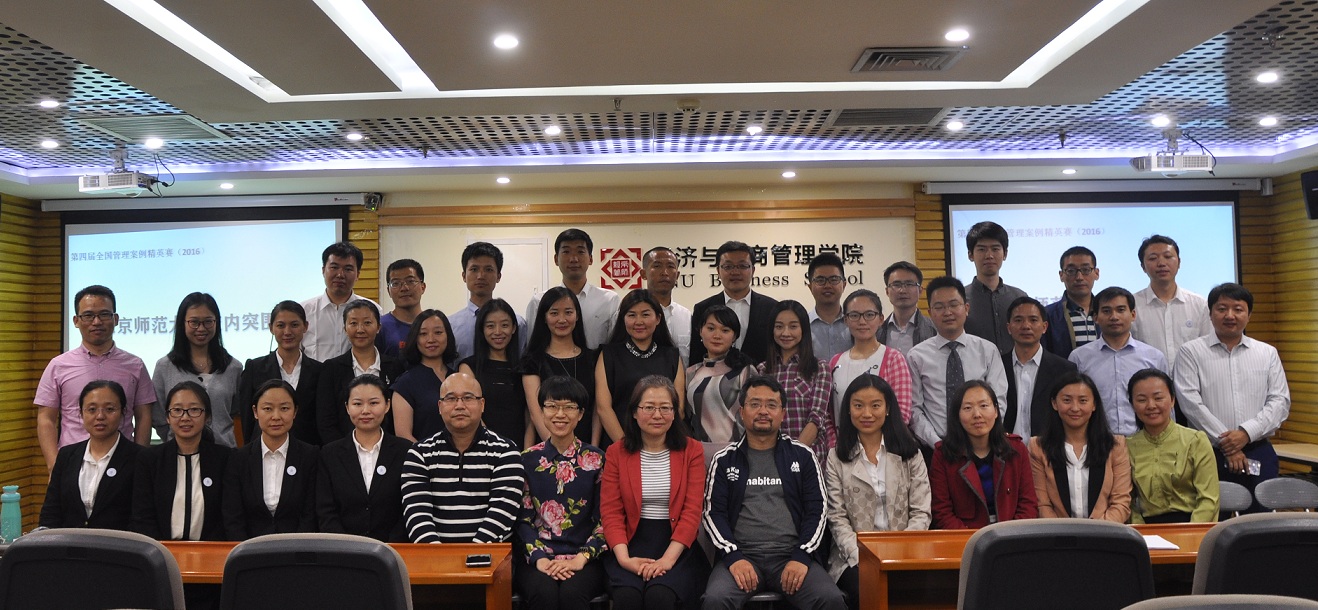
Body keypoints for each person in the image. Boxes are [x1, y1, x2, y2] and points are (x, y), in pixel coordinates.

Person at [703, 376, 844, 610]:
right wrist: (733, 556)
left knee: (830, 599)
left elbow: (817, 511)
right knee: (715, 600)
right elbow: (712, 514)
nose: (763, 411)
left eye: (771, 405)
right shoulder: (725, 460)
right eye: (755, 404)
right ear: (742, 411)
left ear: (783, 413)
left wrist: (802, 556)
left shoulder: (803, 456)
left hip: (792, 555)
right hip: (741, 556)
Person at [1174, 283, 1289, 511]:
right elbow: (1190, 403)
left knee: (1261, 519)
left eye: (1238, 309)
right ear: (1210, 314)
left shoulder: (1267, 353)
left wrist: (1246, 433)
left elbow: (1279, 401)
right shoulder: (1190, 352)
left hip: (1257, 450)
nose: (1230, 315)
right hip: (1208, 453)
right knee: (1213, 519)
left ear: (1249, 315)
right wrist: (1229, 445)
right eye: (1222, 308)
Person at [600, 375, 707, 610]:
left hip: (676, 546)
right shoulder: (616, 452)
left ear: (675, 413)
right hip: (629, 543)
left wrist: (667, 560)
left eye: (665, 408)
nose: (657, 415)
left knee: (660, 596)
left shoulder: (692, 451)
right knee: (627, 597)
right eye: (649, 407)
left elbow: (692, 512)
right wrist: (624, 559)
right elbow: (611, 512)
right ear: (635, 412)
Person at [824, 375, 930, 609]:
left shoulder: (910, 453)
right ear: (848, 409)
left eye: (875, 405)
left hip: (906, 552)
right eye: (858, 405)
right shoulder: (836, 457)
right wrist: (863, 558)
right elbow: (837, 517)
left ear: (888, 408)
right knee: (868, 588)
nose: (867, 413)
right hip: (853, 557)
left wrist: (901, 552)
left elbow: (921, 512)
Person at [36, 285, 154, 472]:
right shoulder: (58, 366)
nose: (97, 322)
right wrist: (54, 466)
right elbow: (46, 418)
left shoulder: (135, 365)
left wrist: (140, 461)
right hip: (72, 464)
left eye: (104, 314)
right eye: (88, 315)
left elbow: (144, 416)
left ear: (116, 319)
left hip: (123, 464)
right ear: (76, 321)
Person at [516, 376, 608, 610]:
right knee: (543, 593)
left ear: (581, 414)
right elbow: (523, 520)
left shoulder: (597, 460)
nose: (560, 414)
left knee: (572, 594)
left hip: (585, 559)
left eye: (569, 407)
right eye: (552, 406)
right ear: (541, 411)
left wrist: (581, 558)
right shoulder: (527, 460)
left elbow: (605, 520)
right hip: (538, 557)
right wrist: (539, 558)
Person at [401, 373, 526, 543]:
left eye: (468, 398)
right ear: (439, 406)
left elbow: (502, 513)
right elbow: (416, 514)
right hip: (434, 556)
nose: (459, 406)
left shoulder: (505, 451)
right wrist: (436, 555)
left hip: (490, 555)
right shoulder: (419, 453)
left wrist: (472, 555)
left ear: (482, 404)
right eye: (451, 399)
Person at [907, 277, 1008, 450]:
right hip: (936, 447)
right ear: (930, 313)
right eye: (939, 307)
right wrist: (937, 444)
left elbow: (998, 401)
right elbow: (914, 409)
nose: (947, 312)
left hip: (983, 445)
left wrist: (982, 436)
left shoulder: (987, 350)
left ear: (966, 308)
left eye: (954, 305)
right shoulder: (917, 356)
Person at [929, 380, 1038, 529]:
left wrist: (1008, 537)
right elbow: (942, 512)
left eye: (984, 406)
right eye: (968, 408)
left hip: (1011, 535)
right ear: (957, 415)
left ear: (996, 411)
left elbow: (1028, 505)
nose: (977, 414)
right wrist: (974, 539)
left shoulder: (1016, 449)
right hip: (964, 537)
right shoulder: (943, 454)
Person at [132, 381, 232, 541]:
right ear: (167, 417)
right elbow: (142, 516)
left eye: (194, 410)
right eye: (177, 410)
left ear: (207, 416)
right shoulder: (150, 460)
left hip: (211, 549)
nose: (185, 417)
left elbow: (229, 516)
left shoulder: (225, 459)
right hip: (159, 550)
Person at [316, 374, 411, 541]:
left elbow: (409, 506)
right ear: (347, 407)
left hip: (395, 549)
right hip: (343, 550)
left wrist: (389, 547)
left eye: (374, 403)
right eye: (357, 404)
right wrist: (346, 546)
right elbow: (326, 511)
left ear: (387, 405)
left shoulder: (405, 451)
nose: (365, 411)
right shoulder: (330, 454)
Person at [1027, 373, 1132, 522]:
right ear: (1054, 403)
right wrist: (1062, 533)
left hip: (1105, 532)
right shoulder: (1038, 447)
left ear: (1094, 404)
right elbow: (1042, 505)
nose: (1075, 408)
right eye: (1067, 400)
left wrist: (1098, 531)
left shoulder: (1115, 446)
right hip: (1057, 533)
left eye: (1083, 401)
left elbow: (1121, 503)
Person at [39, 380, 142, 530]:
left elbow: (142, 518)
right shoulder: (66, 456)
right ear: (81, 413)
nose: (100, 416)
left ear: (123, 412)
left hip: (119, 543)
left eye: (109, 409)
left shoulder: (140, 458)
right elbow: (51, 513)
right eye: (92, 409)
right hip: (68, 543)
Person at [222, 379, 319, 539]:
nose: (276, 416)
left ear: (295, 412)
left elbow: (310, 514)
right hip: (249, 548)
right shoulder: (238, 459)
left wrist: (297, 547)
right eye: (267, 409)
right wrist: (244, 549)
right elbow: (233, 515)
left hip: (298, 547)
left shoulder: (310, 456)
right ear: (255, 412)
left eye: (284, 408)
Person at [1068, 287, 1168, 437]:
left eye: (1121, 310)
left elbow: (1166, 407)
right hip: (1095, 441)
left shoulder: (1154, 357)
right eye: (1106, 311)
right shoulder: (1079, 358)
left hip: (1145, 441)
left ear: (1133, 314)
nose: (1114, 317)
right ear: (1095, 317)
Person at [1125, 368, 1220, 523]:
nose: (1151, 405)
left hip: (1190, 525)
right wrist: (1141, 532)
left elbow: (1209, 499)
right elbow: (1126, 501)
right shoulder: (1126, 447)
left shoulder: (1195, 440)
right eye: (1142, 400)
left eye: (1158, 398)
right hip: (1145, 529)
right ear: (1132, 405)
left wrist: (1191, 531)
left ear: (1173, 400)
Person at [152, 292, 243, 447]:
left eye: (208, 322)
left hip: (224, 453)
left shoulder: (233, 367)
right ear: (182, 323)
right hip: (179, 453)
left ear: (217, 322)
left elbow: (237, 414)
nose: (201, 328)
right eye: (194, 322)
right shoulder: (164, 367)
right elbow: (158, 416)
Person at [596, 289, 685, 446]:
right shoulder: (609, 354)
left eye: (645, 315)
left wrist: (656, 447)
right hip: (619, 445)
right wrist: (625, 447)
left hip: (663, 446)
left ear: (658, 318)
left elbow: (678, 408)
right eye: (632, 315)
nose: (638, 322)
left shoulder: (671, 355)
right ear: (623, 319)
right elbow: (603, 408)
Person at [317, 299, 405, 445]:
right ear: (345, 329)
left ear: (378, 327)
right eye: (353, 323)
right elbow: (326, 420)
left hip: (388, 449)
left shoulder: (395, 366)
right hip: (342, 450)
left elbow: (399, 417)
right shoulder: (332, 368)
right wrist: (343, 450)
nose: (360, 329)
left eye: (367, 323)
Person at [237, 300, 323, 446]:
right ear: (271, 328)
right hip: (264, 449)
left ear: (305, 326)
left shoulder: (319, 371)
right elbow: (247, 418)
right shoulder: (254, 368)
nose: (287, 332)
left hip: (309, 450)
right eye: (281, 325)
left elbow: (322, 418)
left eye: (294, 325)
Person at [756, 300, 833, 461]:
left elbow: (816, 418)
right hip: (771, 458)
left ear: (803, 329)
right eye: (779, 326)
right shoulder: (762, 370)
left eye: (793, 326)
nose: (785, 333)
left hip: (809, 457)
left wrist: (793, 456)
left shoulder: (819, 368)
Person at [522, 287, 599, 444]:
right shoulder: (532, 361)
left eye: (568, 312)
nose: (562, 319)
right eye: (554, 313)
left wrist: (593, 449)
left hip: (588, 449)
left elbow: (598, 409)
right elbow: (536, 413)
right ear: (544, 317)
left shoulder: (593, 358)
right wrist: (561, 450)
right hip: (548, 449)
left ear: (577, 316)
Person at [829, 289, 915, 430]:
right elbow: (828, 414)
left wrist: (875, 442)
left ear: (881, 319)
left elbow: (902, 414)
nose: (862, 321)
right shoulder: (835, 362)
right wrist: (835, 442)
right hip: (841, 442)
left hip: (884, 442)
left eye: (869, 315)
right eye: (854, 315)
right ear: (846, 320)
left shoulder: (894, 359)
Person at [525, 229, 620, 350]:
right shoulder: (539, 301)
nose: (573, 259)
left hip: (598, 362)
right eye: (566, 252)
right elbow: (533, 345)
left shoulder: (609, 300)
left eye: (580, 252)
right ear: (556, 259)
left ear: (590, 259)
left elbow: (615, 347)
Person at [690, 240, 779, 365]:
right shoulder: (703, 308)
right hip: (714, 376)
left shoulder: (772, 308)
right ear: (718, 271)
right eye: (728, 266)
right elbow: (696, 354)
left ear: (753, 270)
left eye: (742, 266)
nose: (735, 272)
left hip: (761, 375)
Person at [1130, 235, 1212, 369]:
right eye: (1153, 258)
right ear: (1143, 266)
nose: (1161, 263)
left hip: (1191, 379)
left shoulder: (1200, 304)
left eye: (1168, 257)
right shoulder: (1132, 305)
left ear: (1179, 262)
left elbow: (1208, 349)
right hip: (1147, 379)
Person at [1002, 297, 1078, 441]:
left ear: (1044, 327)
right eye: (1018, 320)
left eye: (1033, 320)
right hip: (1005, 448)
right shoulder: (997, 365)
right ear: (1009, 327)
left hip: (1048, 448)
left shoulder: (1064, 369)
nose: (1026, 326)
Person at [459, 298, 530, 448]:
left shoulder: (524, 368)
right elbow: (471, 412)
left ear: (514, 328)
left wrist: (527, 452)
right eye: (490, 326)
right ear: (482, 329)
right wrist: (494, 448)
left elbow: (530, 415)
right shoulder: (468, 367)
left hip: (519, 449)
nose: (498, 332)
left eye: (504, 325)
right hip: (482, 448)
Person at [300, 241, 381, 361]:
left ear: (357, 274)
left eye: (348, 269)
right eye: (334, 267)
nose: (340, 275)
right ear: (323, 270)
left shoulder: (373, 310)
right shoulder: (304, 310)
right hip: (315, 373)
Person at [686, 305, 755, 444]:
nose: (717, 336)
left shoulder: (745, 371)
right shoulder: (691, 372)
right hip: (700, 450)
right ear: (700, 331)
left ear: (734, 336)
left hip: (737, 450)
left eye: (725, 330)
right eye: (711, 328)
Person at [452, 242, 529, 360]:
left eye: (488, 269)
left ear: (498, 276)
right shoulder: (451, 325)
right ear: (464, 276)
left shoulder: (517, 324)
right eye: (474, 269)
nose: (480, 276)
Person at [391, 309, 459, 442]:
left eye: (438, 332)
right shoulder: (405, 384)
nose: (431, 339)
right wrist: (426, 454)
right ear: (415, 339)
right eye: (423, 334)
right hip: (422, 454)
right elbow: (403, 435)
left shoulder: (459, 378)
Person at [963, 221, 1028, 354]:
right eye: (982, 249)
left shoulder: (1019, 297)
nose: (989, 255)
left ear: (1005, 254)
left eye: (995, 249)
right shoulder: (960, 299)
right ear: (970, 255)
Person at [1042, 246, 1101, 359]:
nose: (1079, 277)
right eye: (1071, 271)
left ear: (1096, 273)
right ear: (1061, 275)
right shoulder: (1048, 315)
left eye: (1086, 270)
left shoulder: (1106, 312)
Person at [644, 246, 693, 364]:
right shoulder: (630, 316)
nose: (664, 273)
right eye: (657, 266)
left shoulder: (687, 316)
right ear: (643, 273)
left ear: (677, 275)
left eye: (670, 266)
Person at [877, 261, 936, 356]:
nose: (902, 290)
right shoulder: (877, 331)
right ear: (887, 291)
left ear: (920, 290)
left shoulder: (934, 329)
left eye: (909, 284)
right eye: (896, 285)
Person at [805, 252, 851, 361]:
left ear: (844, 285)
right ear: (810, 287)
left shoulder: (856, 323)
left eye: (834, 279)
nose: (827, 285)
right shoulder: (802, 326)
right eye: (820, 280)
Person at [378, 258, 427, 358]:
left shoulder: (434, 325)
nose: (404, 288)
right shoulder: (379, 327)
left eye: (410, 281)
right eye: (395, 283)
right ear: (388, 291)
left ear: (423, 287)